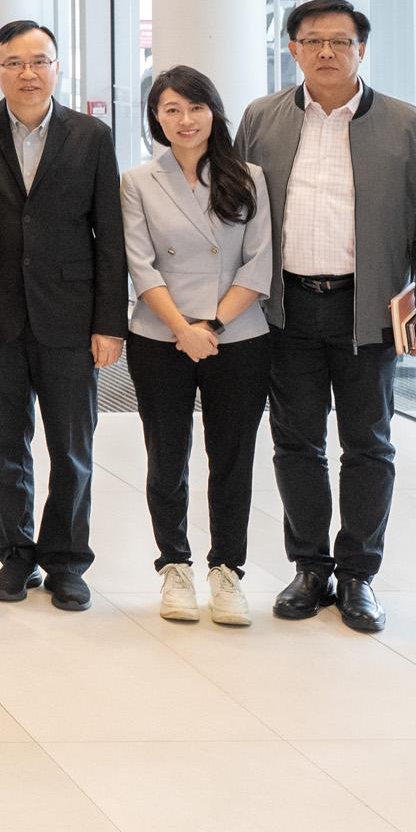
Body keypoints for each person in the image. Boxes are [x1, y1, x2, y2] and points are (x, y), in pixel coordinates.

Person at [235, 0, 416, 634]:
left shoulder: (407, 125)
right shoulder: (261, 118)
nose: (327, 52)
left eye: (341, 41)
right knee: (296, 442)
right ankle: (310, 567)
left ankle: (359, 573)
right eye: (313, 41)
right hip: (286, 307)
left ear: (362, 49)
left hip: (369, 309)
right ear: (293, 50)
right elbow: (234, 209)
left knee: (369, 444)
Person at [0, 20, 126, 611]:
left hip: (70, 320)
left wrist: (110, 324)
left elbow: (110, 236)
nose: (27, 73)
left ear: (57, 67)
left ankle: (67, 561)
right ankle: (15, 556)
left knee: (72, 450)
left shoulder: (91, 135)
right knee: (7, 449)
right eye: (14, 62)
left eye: (39, 61)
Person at [121, 65, 277, 628]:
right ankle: (174, 566)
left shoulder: (248, 177)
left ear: (214, 112)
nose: (185, 120)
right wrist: (183, 328)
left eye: (196, 108)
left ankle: (227, 570)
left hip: (238, 335)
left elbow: (258, 262)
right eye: (172, 110)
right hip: (159, 336)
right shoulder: (138, 181)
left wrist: (209, 325)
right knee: (166, 456)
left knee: (232, 458)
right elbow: (140, 265)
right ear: (156, 119)